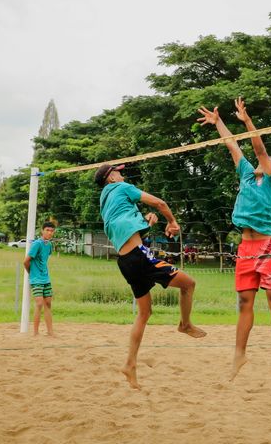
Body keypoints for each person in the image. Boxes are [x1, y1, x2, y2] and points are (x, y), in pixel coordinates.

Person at [197, 97, 271, 380]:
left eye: (267, 163)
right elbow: (233, 145)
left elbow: (258, 147)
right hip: (246, 247)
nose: (260, 163)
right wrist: (219, 123)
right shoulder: (246, 175)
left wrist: (248, 121)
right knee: (244, 303)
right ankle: (239, 355)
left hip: (267, 245)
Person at [95, 163, 206, 389]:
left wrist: (147, 223)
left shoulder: (105, 204)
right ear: (111, 179)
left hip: (126, 261)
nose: (122, 174)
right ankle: (185, 325)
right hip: (140, 257)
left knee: (144, 314)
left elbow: (126, 232)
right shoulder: (123, 187)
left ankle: (130, 364)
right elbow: (160, 202)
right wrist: (173, 222)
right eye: (118, 171)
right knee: (189, 284)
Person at [23, 221, 57, 336]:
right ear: (42, 231)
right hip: (36, 279)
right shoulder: (37, 244)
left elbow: (44, 260)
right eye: (47, 230)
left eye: (52, 231)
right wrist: (31, 273)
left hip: (46, 278)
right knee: (39, 303)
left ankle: (50, 331)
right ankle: (35, 332)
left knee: (48, 303)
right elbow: (26, 261)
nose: (49, 233)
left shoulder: (49, 245)